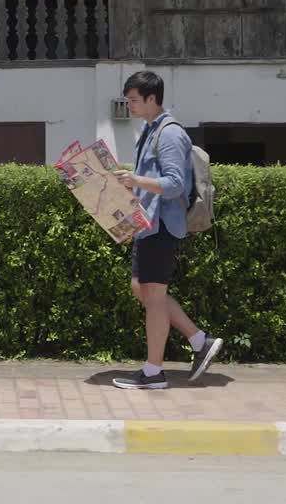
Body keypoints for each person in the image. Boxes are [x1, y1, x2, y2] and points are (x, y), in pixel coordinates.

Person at [112, 71, 223, 390]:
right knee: (141, 289)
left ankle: (153, 372)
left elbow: (174, 185)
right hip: (147, 226)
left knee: (154, 298)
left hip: (160, 227)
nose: (129, 105)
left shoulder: (170, 134)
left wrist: (134, 181)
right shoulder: (151, 130)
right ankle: (199, 340)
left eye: (133, 99)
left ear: (151, 99)